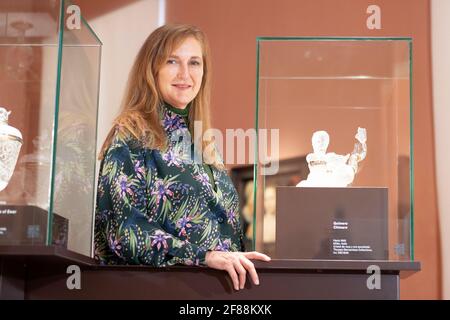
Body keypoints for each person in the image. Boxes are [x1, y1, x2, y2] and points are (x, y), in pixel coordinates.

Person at [94, 24, 270, 291]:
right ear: (152, 69)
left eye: (194, 63)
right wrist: (204, 257)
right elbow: (123, 233)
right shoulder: (131, 134)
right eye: (172, 61)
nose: (185, 74)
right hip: (158, 291)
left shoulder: (205, 143)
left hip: (218, 292)